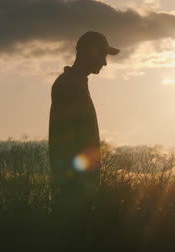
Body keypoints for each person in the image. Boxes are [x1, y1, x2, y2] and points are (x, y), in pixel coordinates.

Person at [48, 31, 119, 211]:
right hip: (75, 194)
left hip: (79, 192)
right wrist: (81, 191)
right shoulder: (69, 85)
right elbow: (67, 142)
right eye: (102, 54)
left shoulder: (76, 83)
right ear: (90, 51)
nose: (104, 62)